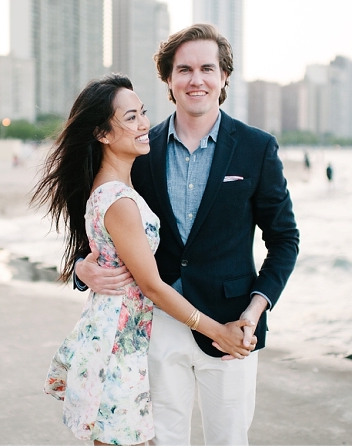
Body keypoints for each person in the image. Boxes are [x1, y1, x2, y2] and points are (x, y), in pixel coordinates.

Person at [75, 24, 299, 445]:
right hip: (157, 323)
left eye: (207, 68)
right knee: (164, 441)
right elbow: (97, 219)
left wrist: (253, 313)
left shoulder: (256, 147)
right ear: (169, 80)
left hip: (232, 326)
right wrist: (81, 269)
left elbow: (285, 239)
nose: (197, 79)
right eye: (184, 69)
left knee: (228, 441)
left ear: (224, 77)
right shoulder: (141, 147)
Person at [33, 74, 254, 446]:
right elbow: (151, 285)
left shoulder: (117, 185)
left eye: (143, 113)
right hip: (119, 339)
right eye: (131, 117)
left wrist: (84, 266)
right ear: (102, 134)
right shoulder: (120, 200)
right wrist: (217, 331)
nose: (144, 125)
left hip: (119, 331)